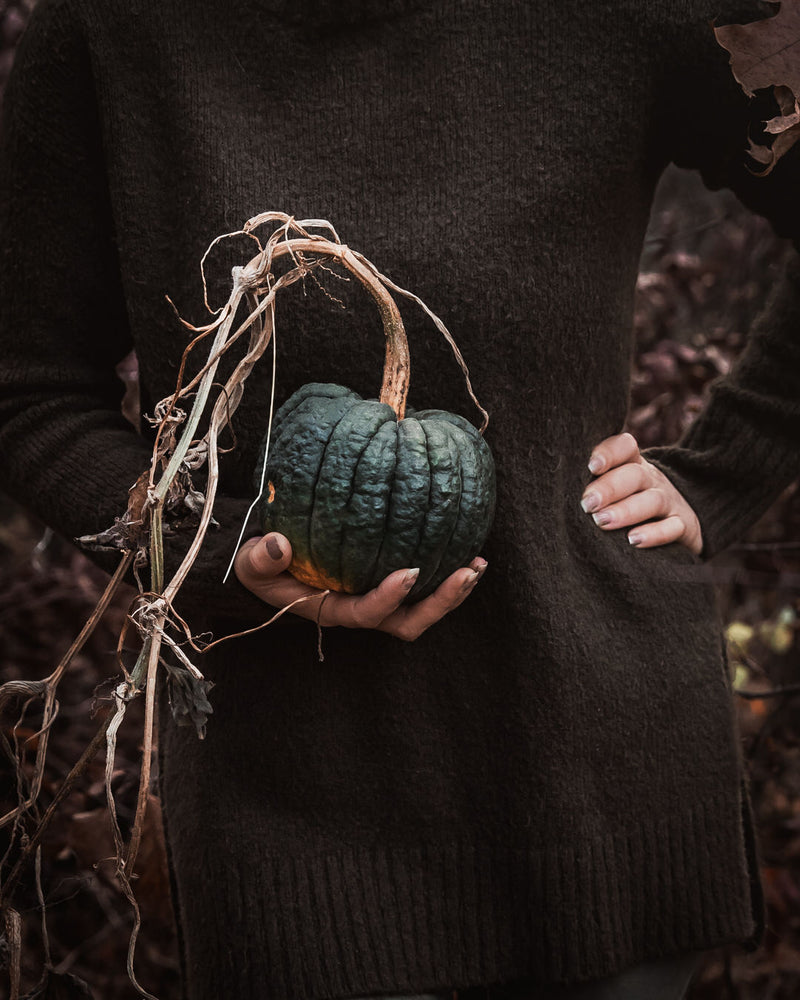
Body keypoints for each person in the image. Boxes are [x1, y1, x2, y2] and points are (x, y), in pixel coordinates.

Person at [2, 1, 800, 998]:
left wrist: (724, 468)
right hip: (295, 810)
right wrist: (213, 548)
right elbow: (27, 388)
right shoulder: (111, 30)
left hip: (600, 773)